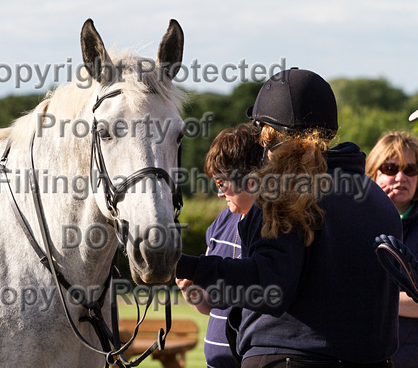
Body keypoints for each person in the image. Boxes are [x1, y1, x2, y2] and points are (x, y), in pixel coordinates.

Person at [176, 68, 401, 367]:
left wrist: (184, 264)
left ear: (268, 135)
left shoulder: (283, 194)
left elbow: (268, 288)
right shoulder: (377, 198)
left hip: (288, 358)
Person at [176, 123, 262, 368]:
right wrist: (189, 290)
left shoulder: (273, 231)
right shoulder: (219, 224)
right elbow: (210, 305)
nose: (219, 193)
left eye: (221, 182)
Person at [366, 131, 418, 368]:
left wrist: (371, 299)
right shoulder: (353, 222)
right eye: (390, 168)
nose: (400, 177)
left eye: (410, 169)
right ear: (373, 172)